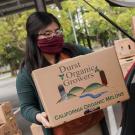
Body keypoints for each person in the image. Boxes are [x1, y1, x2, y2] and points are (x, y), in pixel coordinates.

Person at [16, 11, 109, 135]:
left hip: (94, 124)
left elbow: (98, 62)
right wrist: (38, 116)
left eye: (57, 31)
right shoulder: (26, 72)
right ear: (33, 38)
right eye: (47, 33)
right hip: (64, 131)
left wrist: (78, 65)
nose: (54, 36)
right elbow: (26, 107)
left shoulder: (74, 51)